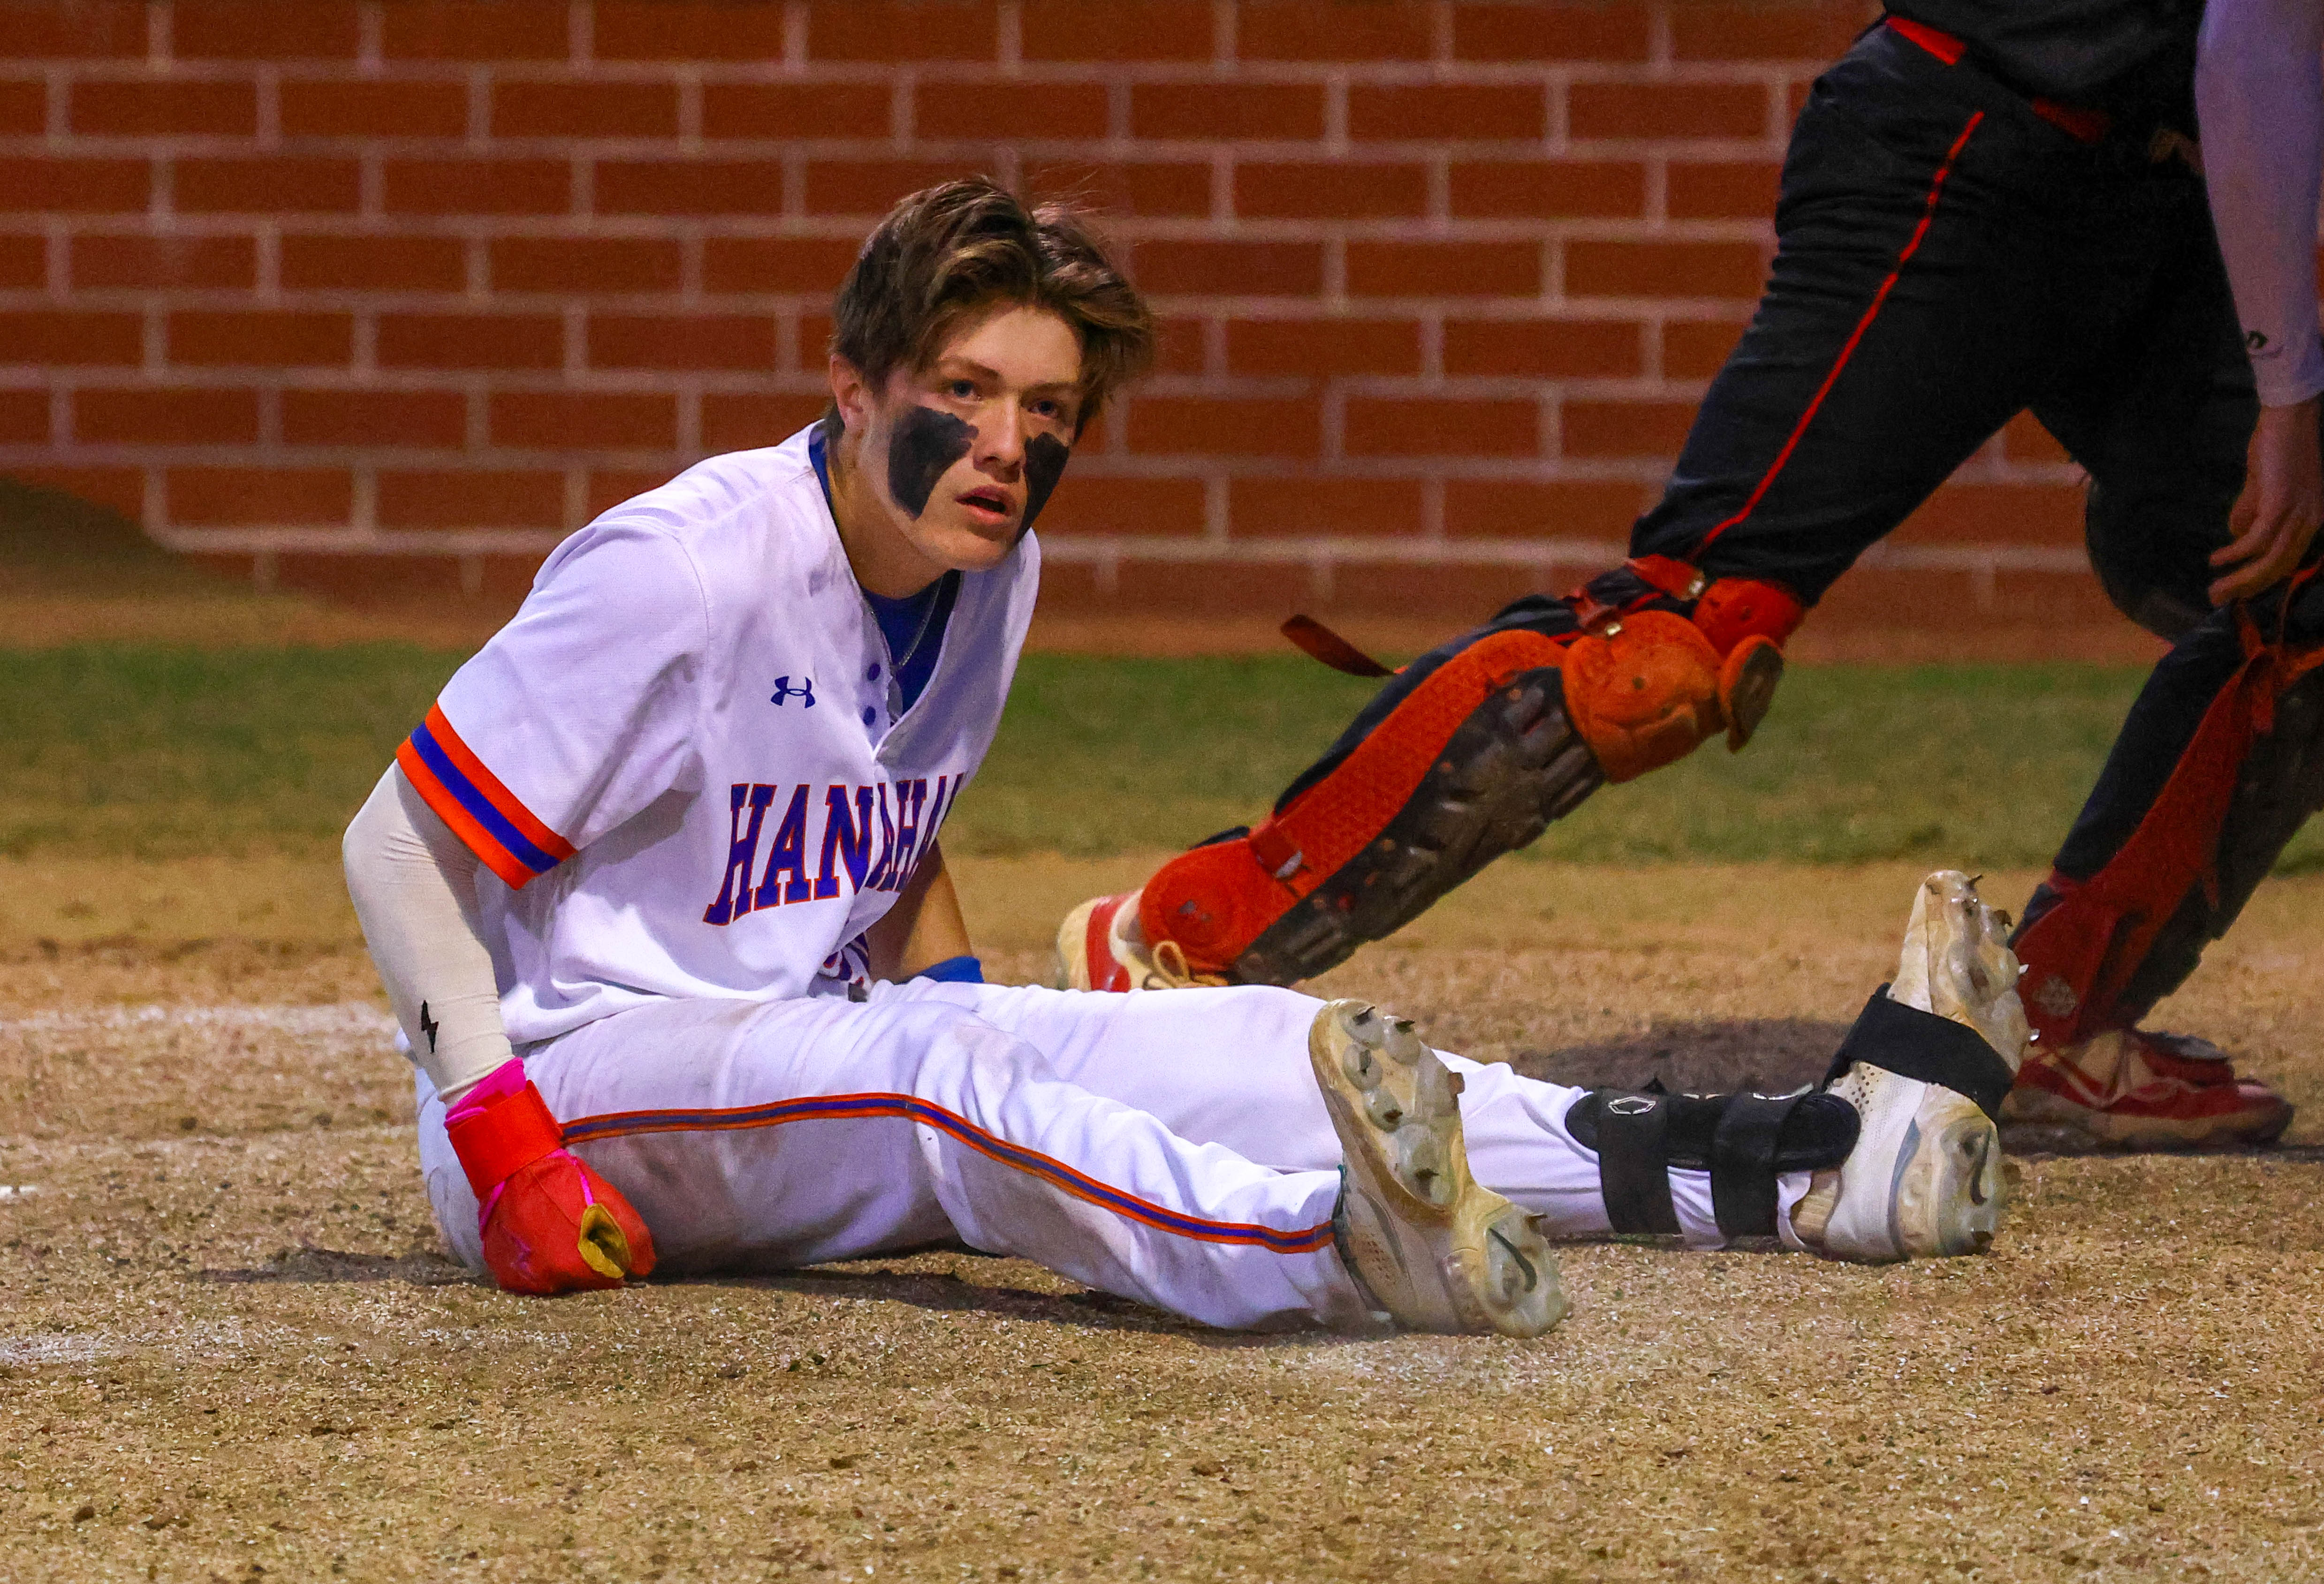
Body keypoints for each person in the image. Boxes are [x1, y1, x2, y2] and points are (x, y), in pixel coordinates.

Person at [341, 180, 2029, 1330]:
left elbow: (884, 829)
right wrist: (499, 1148)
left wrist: (1015, 1008)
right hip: (573, 1084)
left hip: (789, 1040)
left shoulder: (985, 566)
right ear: (851, 387)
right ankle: (1322, 1248)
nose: (1009, 445)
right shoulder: (685, 564)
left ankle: (1803, 1164)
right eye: (965, 388)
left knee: (1258, 1038)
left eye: (1051, 410)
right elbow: (400, 843)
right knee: (944, 1090)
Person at [1060, 3, 2304, 1152]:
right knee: (1669, 647)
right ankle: (1183, 934)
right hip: (1968, 140)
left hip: (2145, 184)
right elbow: (2256, 39)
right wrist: (2288, 392)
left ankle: (2046, 1024)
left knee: (2306, 594)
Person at [2004, 0, 2324, 1147]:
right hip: (2035, 175)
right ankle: (2049, 1014)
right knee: (2303, 588)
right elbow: (2251, 47)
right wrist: (2285, 402)